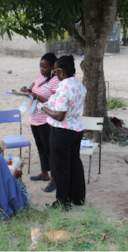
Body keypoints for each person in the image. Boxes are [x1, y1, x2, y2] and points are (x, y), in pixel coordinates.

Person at [40, 55, 87, 210]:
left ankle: (63, 202)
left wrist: (44, 108)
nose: (54, 74)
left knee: (61, 168)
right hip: (76, 129)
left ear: (61, 71)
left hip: (61, 132)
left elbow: (59, 116)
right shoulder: (78, 84)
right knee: (75, 164)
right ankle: (78, 197)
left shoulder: (64, 88)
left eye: (55, 71)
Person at [20, 53, 60, 193]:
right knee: (40, 148)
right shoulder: (39, 76)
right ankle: (44, 173)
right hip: (34, 118)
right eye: (41, 66)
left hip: (45, 119)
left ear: (53, 67)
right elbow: (32, 88)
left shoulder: (56, 81)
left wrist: (35, 96)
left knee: (50, 150)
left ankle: (54, 180)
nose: (42, 69)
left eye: (45, 67)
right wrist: (26, 90)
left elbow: (52, 101)